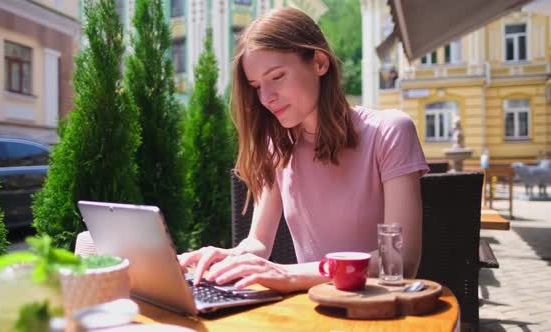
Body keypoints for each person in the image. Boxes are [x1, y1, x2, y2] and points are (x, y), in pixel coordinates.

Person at [178, 7, 428, 294]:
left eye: (277, 76)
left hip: (379, 311)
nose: (266, 98)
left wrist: (291, 273)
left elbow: (400, 259)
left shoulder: (389, 132)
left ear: (319, 62)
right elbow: (258, 243)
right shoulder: (278, 148)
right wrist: (226, 257)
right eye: (257, 86)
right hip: (312, 312)